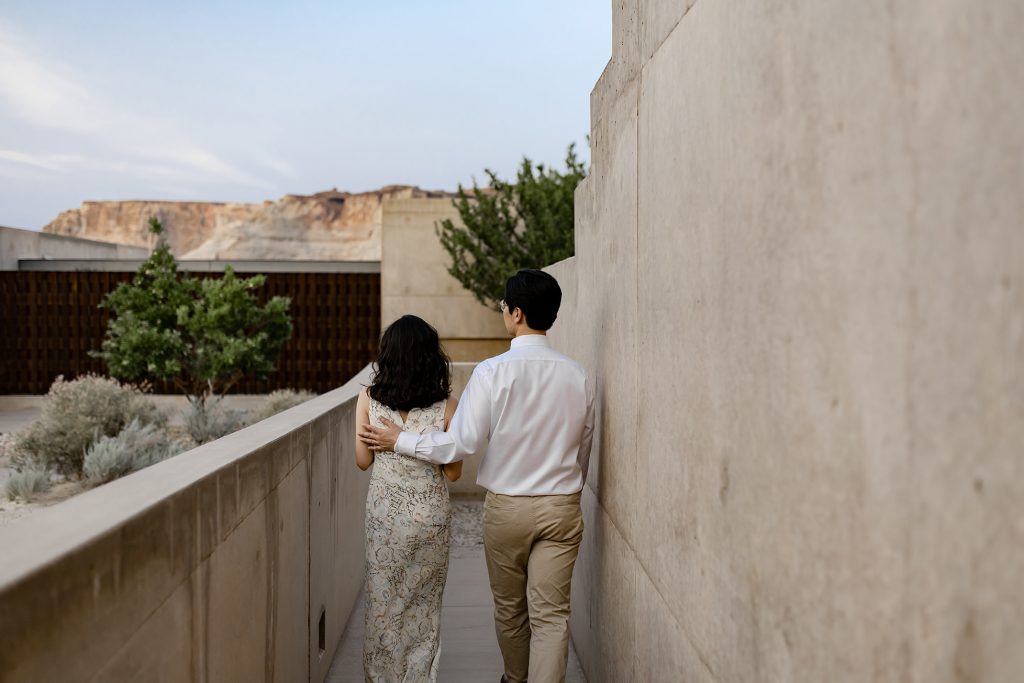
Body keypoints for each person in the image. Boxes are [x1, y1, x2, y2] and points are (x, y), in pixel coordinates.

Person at [359, 269, 595, 683]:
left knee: (510, 608)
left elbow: (459, 445)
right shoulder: (577, 375)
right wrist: (568, 487)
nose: (504, 312)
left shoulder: (492, 372)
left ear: (516, 313)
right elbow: (585, 444)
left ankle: (515, 678)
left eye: (505, 306)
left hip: (508, 509)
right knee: (553, 616)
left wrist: (399, 440)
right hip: (562, 507)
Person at [354, 314, 462, 682]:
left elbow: (362, 461)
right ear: (431, 357)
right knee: (424, 608)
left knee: (384, 607)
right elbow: (453, 472)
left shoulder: (369, 399)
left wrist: (391, 443)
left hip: (385, 520)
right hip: (431, 520)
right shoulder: (447, 406)